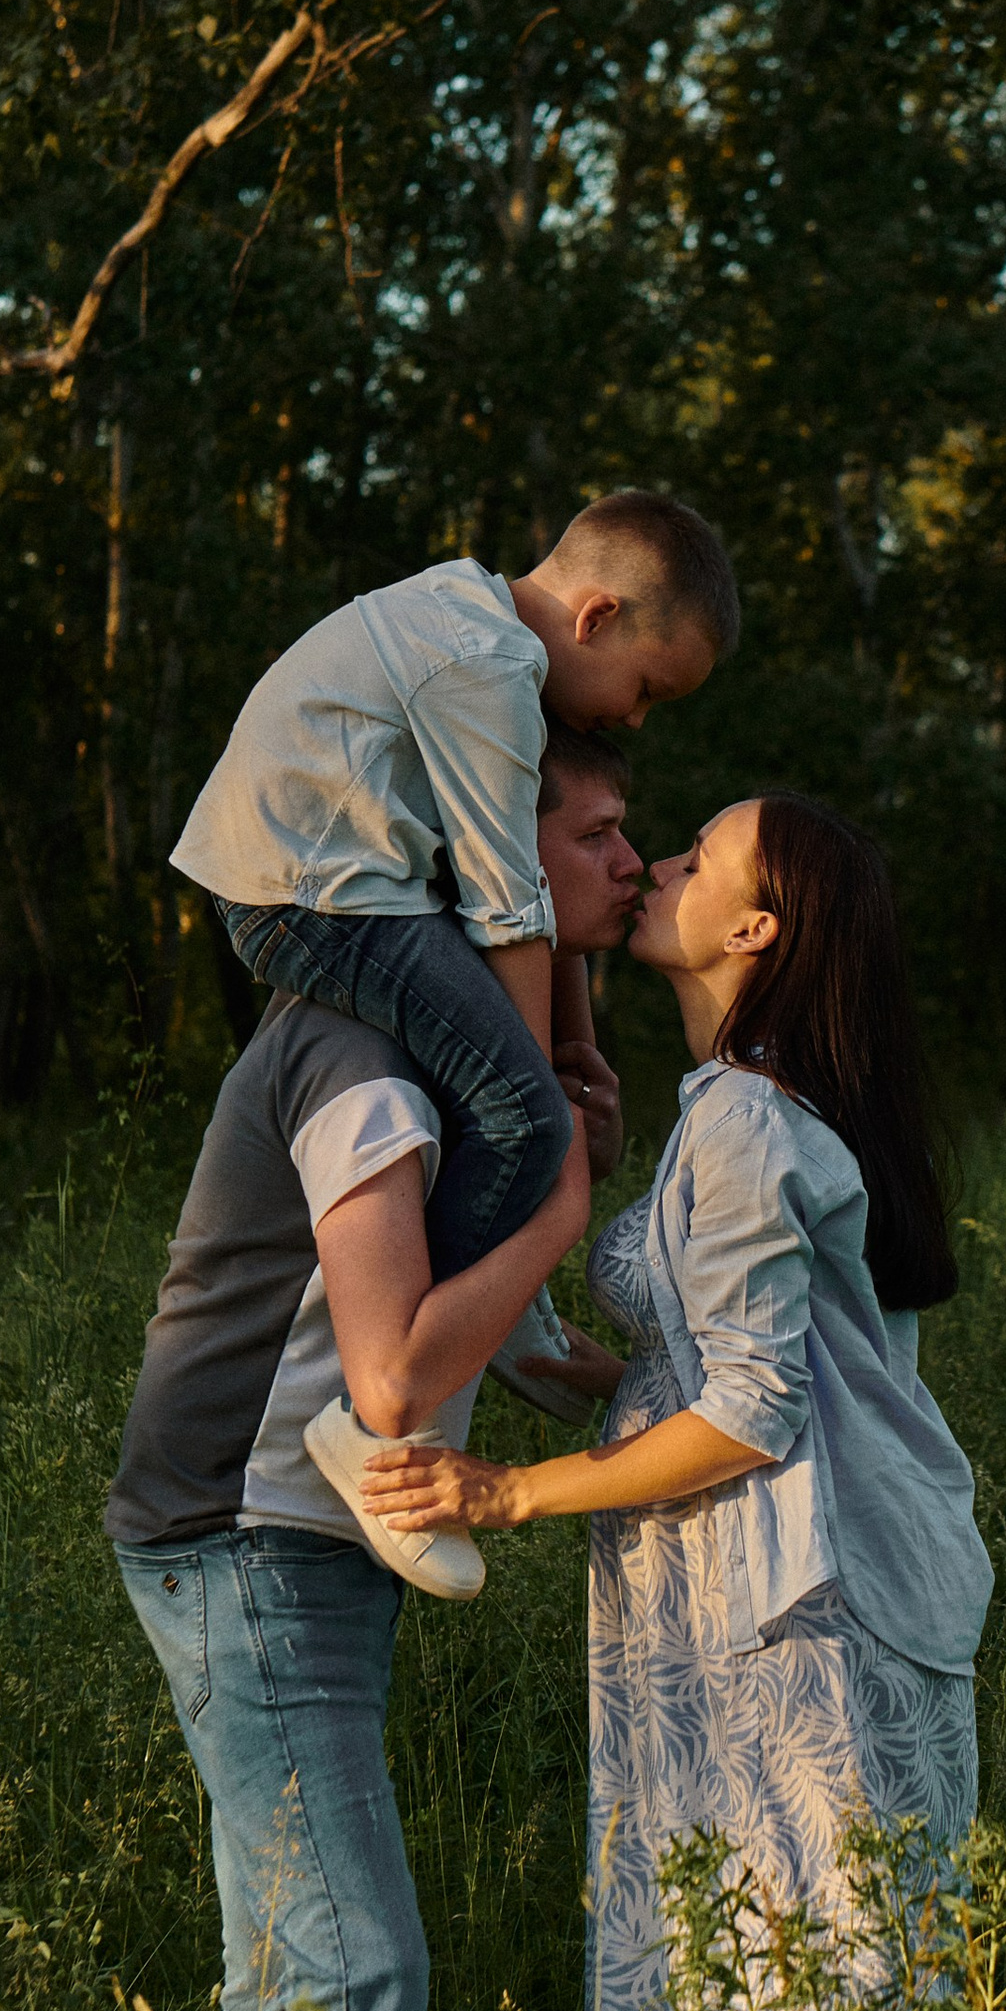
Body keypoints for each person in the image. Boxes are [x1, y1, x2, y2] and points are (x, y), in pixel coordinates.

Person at [359, 791, 990, 2011]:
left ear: (756, 929)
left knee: (815, 1967)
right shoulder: (741, 1108)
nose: (661, 864)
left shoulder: (753, 1120)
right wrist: (564, 1360)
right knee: (763, 1955)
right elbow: (727, 1371)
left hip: (800, 1617)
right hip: (744, 1594)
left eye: (702, 856)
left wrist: (502, 1492)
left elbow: (756, 1410)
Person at [103, 728, 645, 2011]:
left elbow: (511, 1351)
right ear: (496, 862)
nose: (627, 862)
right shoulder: (359, 1051)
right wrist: (549, 1193)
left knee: (286, 1980)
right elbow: (394, 1375)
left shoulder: (455, 1065)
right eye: (600, 832)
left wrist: (697, 1399)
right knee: (353, 1979)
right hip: (244, 1537)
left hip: (298, 1544)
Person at [167, 494, 738, 1536]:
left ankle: (484, 1330)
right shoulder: (490, 670)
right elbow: (506, 897)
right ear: (596, 617)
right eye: (648, 688)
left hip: (320, 885)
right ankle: (384, 1414)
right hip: (316, 898)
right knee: (519, 1117)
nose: (638, 718)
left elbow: (523, 888)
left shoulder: (467, 617)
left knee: (525, 1102)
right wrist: (546, 1113)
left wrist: (570, 1052)